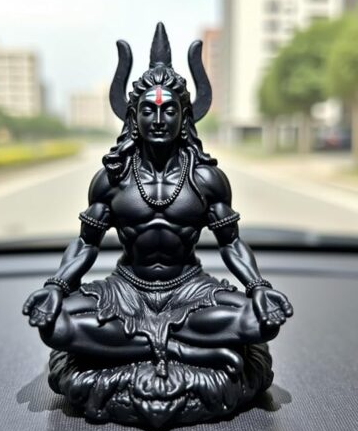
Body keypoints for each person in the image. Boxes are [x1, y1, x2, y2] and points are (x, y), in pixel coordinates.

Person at [23, 23, 293, 379]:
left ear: (184, 116)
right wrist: (56, 287)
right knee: (54, 325)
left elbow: (231, 243)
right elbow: (86, 244)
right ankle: (179, 349)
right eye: (149, 110)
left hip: (190, 289)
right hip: (126, 289)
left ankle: (134, 348)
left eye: (169, 111)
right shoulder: (113, 178)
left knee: (261, 321)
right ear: (134, 117)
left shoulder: (206, 178)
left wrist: (257, 288)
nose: (159, 120)